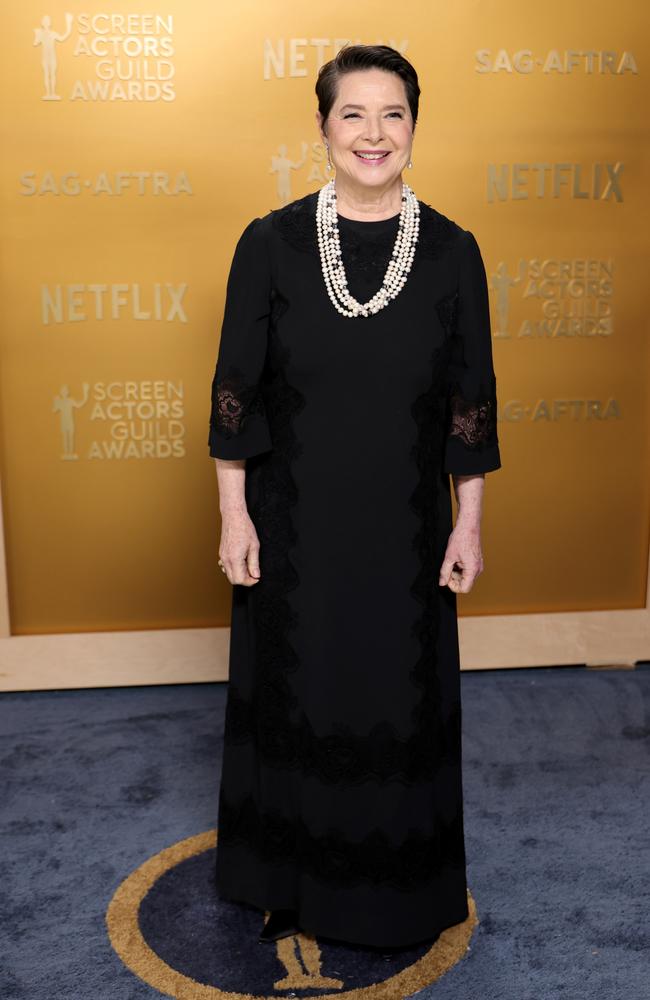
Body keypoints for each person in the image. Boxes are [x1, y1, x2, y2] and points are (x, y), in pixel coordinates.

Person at [207, 43, 501, 950]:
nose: (374, 135)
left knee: (392, 696)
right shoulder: (269, 242)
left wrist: (469, 523)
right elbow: (234, 394)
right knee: (297, 696)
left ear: (414, 126)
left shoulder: (453, 252)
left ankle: (395, 893)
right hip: (293, 529)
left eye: (393, 115)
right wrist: (235, 513)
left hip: (405, 533)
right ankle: (283, 879)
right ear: (324, 126)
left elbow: (470, 403)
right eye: (353, 115)